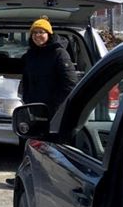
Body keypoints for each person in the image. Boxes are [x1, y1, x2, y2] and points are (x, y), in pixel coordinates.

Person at [5, 16, 79, 186]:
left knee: (49, 149)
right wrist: (26, 98)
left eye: (42, 32)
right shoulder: (31, 55)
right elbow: (27, 79)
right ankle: (23, 178)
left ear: (49, 34)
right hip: (32, 108)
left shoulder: (59, 53)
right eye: (35, 33)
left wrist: (54, 107)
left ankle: (50, 183)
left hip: (51, 111)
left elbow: (70, 84)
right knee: (27, 143)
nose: (38, 35)